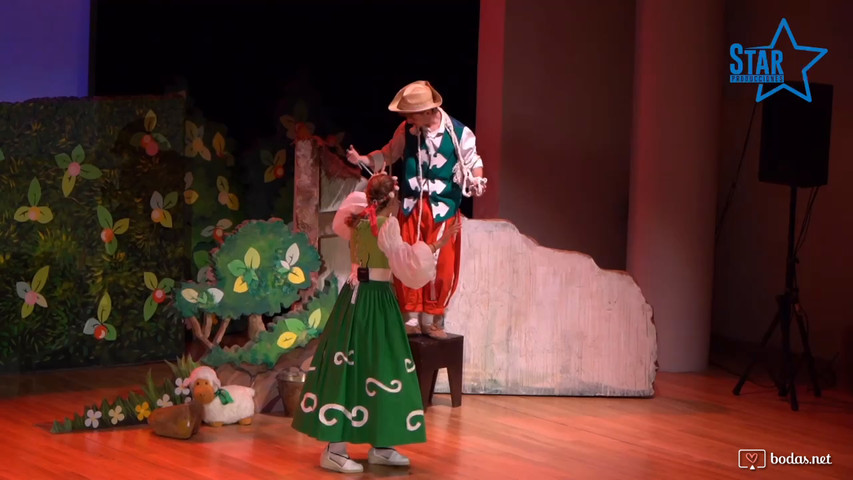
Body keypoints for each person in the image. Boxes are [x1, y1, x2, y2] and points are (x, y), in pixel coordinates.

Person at [291, 173, 460, 474]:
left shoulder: (356, 221)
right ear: (391, 200)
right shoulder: (385, 224)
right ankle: (335, 449)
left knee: (364, 365)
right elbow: (407, 263)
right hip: (374, 301)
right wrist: (438, 245)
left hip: (356, 299)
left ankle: (380, 444)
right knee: (378, 365)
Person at [346, 80, 486, 339]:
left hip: (443, 208)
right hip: (412, 208)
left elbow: (473, 160)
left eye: (412, 114)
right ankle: (410, 317)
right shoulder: (406, 131)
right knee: (406, 256)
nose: (408, 118)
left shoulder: (458, 132)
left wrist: (477, 179)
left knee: (442, 264)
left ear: (428, 111)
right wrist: (363, 159)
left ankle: (433, 319)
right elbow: (389, 154)